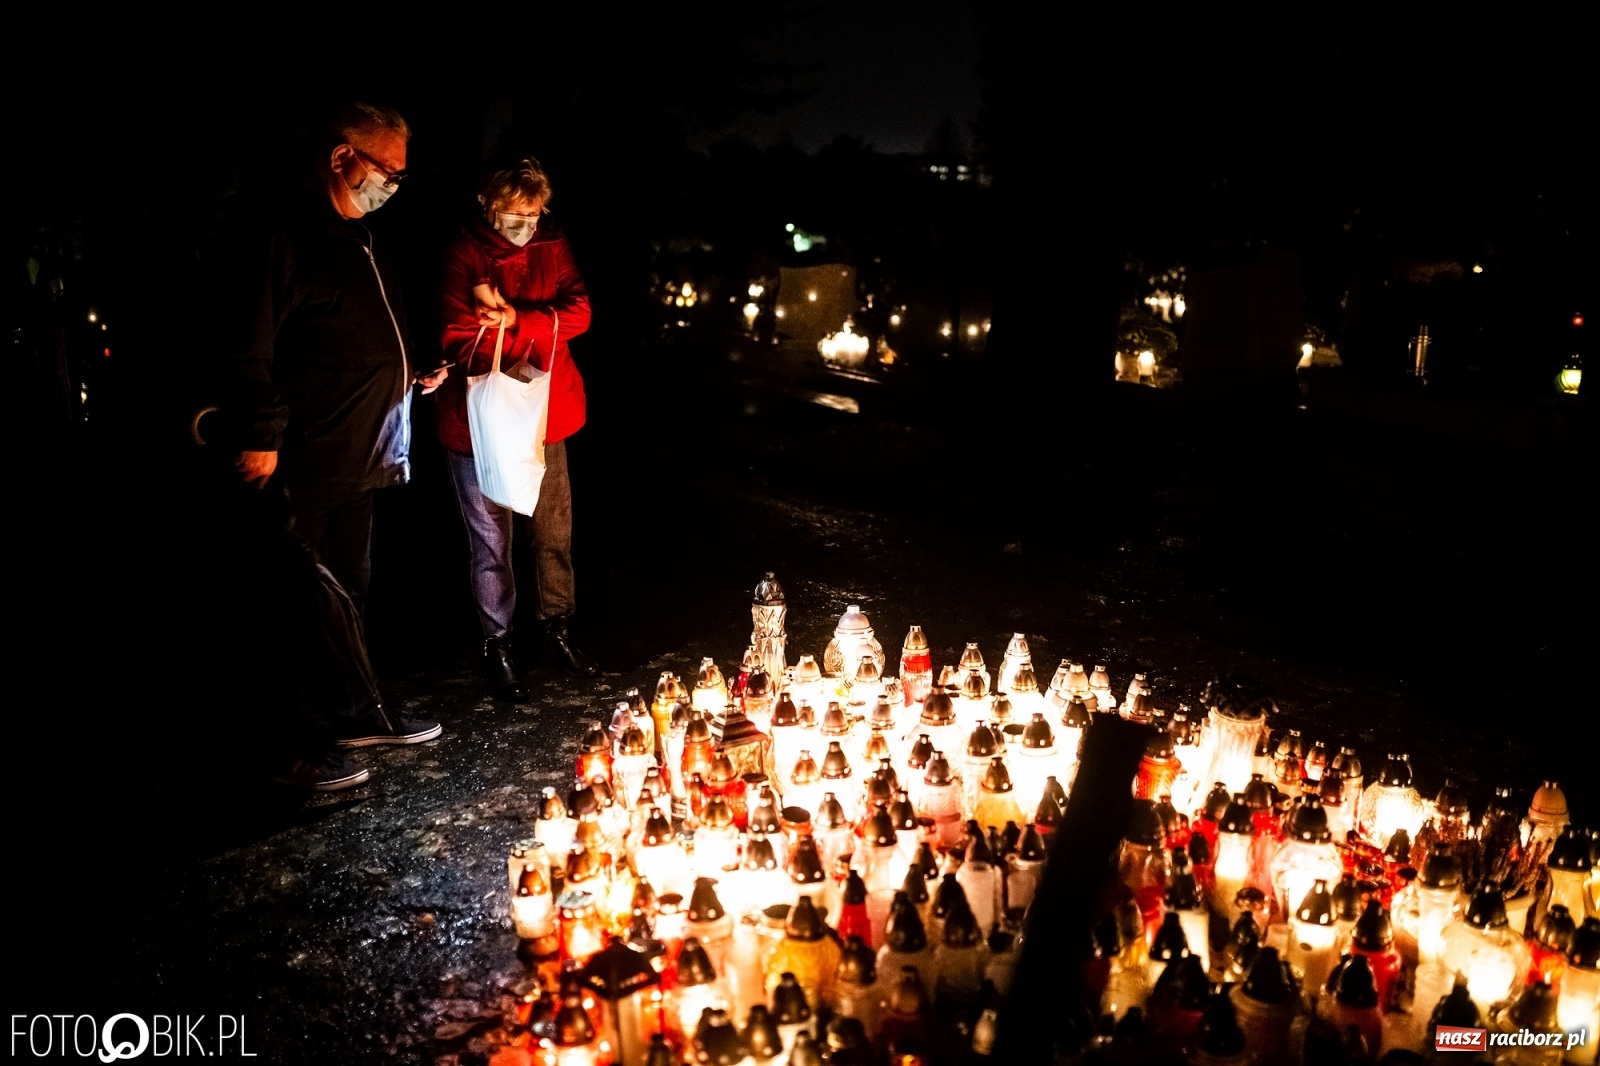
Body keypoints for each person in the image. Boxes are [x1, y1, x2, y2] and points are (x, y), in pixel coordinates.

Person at [221, 100, 444, 787]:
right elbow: (246, 343)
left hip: (363, 450)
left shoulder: (363, 236)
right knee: (292, 601)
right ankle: (292, 741)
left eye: (402, 177)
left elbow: (371, 327)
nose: (393, 187)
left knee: (349, 591)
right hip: (305, 453)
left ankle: (353, 712)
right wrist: (260, 435)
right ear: (342, 156)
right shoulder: (281, 232)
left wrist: (415, 366)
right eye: (387, 171)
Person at [436, 157, 599, 699]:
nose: (527, 222)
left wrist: (515, 320)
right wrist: (513, 328)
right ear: (488, 206)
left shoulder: (553, 242)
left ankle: (559, 627)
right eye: (515, 213)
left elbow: (580, 311)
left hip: (546, 413)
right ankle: (498, 643)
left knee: (553, 530)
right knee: (490, 540)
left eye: (534, 211)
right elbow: (457, 331)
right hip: (479, 420)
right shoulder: (465, 251)